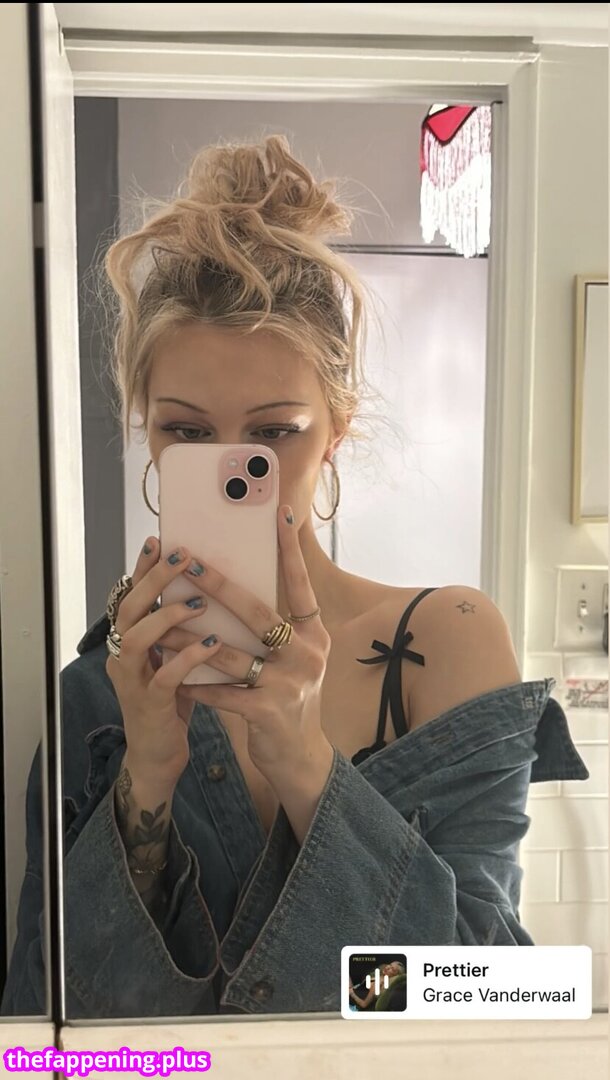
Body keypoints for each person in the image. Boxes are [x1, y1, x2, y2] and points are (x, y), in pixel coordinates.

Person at [1, 135, 589, 1019]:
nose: (235, 468)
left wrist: (309, 769)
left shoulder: (446, 641)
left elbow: (499, 994)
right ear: (147, 432)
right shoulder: (97, 696)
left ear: (336, 431)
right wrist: (146, 777)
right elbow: (45, 1034)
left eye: (274, 432)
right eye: (188, 432)